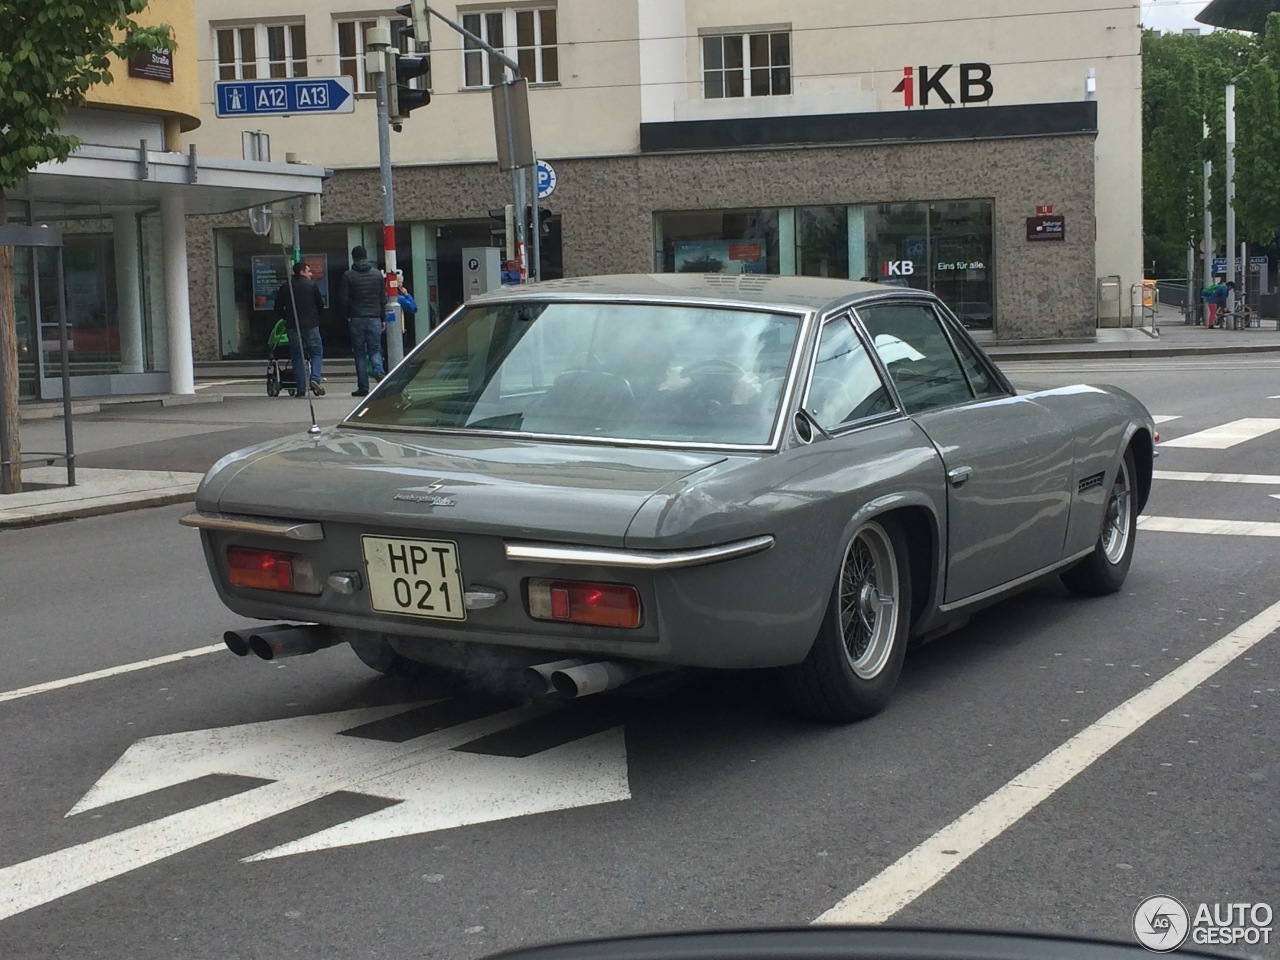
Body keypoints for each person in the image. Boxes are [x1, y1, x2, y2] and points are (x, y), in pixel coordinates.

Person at [338, 245, 386, 396]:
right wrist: (382, 317)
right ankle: (379, 371)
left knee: (359, 352)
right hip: (374, 317)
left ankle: (363, 387)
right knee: (375, 348)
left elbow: (343, 299)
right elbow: (382, 299)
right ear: (366, 256)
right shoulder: (377, 274)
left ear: (353, 258)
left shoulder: (348, 275)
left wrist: (347, 315)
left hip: (357, 317)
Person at [273, 261, 325, 397]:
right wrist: (317, 318)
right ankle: (315, 378)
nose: (311, 274)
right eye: (308, 271)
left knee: (297, 357)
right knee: (316, 353)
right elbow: (320, 305)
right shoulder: (312, 286)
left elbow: (277, 308)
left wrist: (287, 317)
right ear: (302, 272)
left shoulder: (285, 287)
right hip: (311, 325)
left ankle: (301, 389)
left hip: (292, 326)